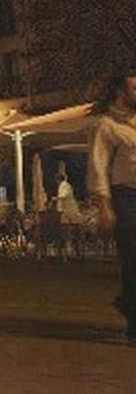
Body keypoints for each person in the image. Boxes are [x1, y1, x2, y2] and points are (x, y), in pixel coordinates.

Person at [89, 69, 136, 343]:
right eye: (135, 88)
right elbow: (98, 165)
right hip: (126, 199)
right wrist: (104, 205)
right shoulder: (107, 126)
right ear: (121, 93)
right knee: (134, 258)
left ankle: (126, 300)